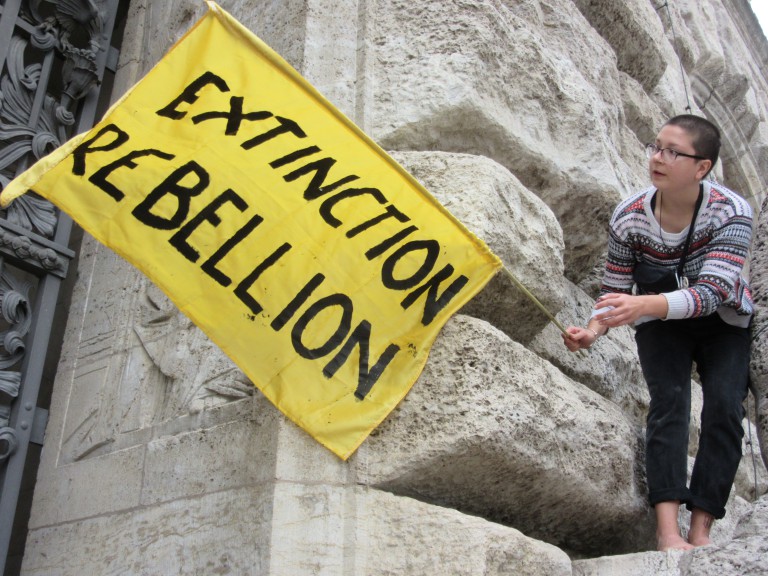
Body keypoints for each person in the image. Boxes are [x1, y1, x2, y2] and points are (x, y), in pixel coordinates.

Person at [562, 114, 754, 551]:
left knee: (724, 409)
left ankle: (701, 530)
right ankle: (668, 533)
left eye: (673, 151)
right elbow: (614, 289)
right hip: (658, 321)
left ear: (702, 167)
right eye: (656, 147)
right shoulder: (630, 216)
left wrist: (641, 304)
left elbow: (712, 292)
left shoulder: (732, 211)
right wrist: (593, 331)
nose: (658, 158)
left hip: (722, 320)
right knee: (669, 405)